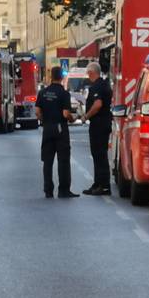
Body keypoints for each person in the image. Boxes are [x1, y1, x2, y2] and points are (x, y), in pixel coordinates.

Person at [35, 66, 79, 199]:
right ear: (62, 77)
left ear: (50, 77)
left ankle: (48, 190)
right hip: (60, 128)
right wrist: (72, 119)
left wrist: (45, 120)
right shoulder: (64, 94)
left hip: (47, 128)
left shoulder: (42, 92)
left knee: (47, 161)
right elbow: (66, 113)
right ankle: (64, 190)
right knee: (63, 160)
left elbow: (37, 112)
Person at [83, 62, 113, 196]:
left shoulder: (97, 86)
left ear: (91, 72)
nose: (87, 75)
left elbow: (98, 104)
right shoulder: (104, 84)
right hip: (103, 123)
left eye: (88, 73)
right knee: (97, 154)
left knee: (100, 155)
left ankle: (104, 185)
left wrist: (86, 116)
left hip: (99, 124)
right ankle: (98, 183)